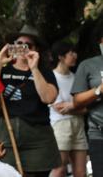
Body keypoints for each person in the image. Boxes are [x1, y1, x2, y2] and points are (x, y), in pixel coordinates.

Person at [0, 24, 60, 177]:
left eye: (28, 45)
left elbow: (48, 97)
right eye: (19, 44)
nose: (23, 48)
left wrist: (34, 68)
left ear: (36, 49)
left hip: (37, 136)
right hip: (6, 133)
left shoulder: (44, 71)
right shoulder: (3, 69)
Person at [48, 42, 87, 177]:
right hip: (60, 125)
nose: (75, 56)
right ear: (60, 57)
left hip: (79, 125)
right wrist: (78, 106)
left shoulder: (76, 77)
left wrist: (71, 106)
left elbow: (85, 107)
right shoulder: (51, 77)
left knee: (81, 173)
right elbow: (59, 108)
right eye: (71, 53)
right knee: (60, 169)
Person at [71, 34, 103, 177]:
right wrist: (98, 90)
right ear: (101, 41)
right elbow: (77, 102)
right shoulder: (88, 65)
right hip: (99, 133)